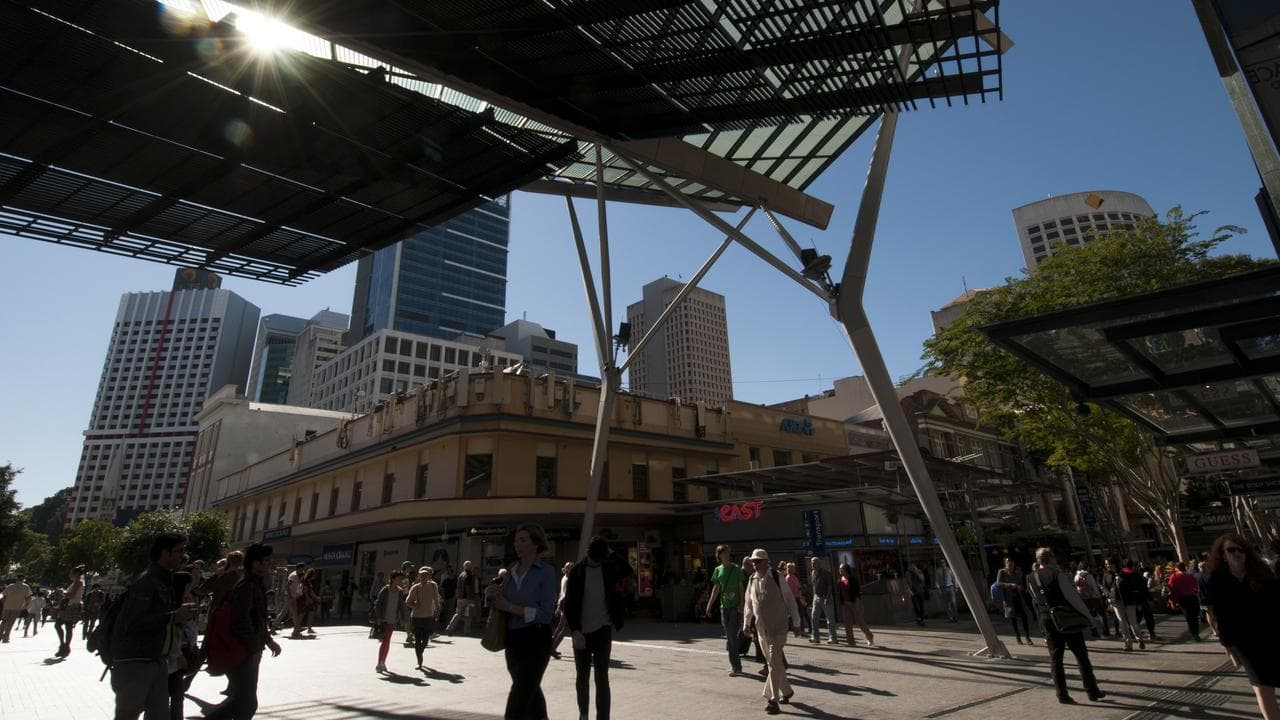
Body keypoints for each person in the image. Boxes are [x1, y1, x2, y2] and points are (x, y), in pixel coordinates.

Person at [111, 533, 194, 720]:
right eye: (179, 551)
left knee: (159, 715)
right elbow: (133, 622)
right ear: (165, 553)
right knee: (128, 714)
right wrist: (173, 616)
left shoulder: (165, 580)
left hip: (156, 658)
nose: (183, 555)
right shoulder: (147, 581)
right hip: (135, 660)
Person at [1203, 533, 1280, 720]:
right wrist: (1227, 644)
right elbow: (1220, 614)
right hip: (1245, 643)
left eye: (1241, 550)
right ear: (1222, 554)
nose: (1237, 553)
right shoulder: (1217, 579)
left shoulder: (1262, 574)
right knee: (1262, 688)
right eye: (1231, 550)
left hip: (1273, 636)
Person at [485, 524, 558, 720]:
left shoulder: (546, 572)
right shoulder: (511, 570)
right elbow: (501, 600)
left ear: (536, 543)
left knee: (520, 693)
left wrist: (509, 606)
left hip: (537, 638)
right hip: (513, 639)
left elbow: (545, 613)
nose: (517, 544)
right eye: (516, 540)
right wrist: (491, 594)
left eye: (523, 540)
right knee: (529, 690)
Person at [206, 543, 283, 720]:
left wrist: (268, 641)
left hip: (247, 649)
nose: (269, 564)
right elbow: (240, 621)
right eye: (266, 561)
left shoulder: (254, 584)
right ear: (255, 563)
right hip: (243, 651)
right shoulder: (247, 586)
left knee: (243, 701)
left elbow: (258, 619)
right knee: (246, 703)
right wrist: (255, 647)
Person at [562, 537, 631, 720]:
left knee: (602, 677)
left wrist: (611, 553)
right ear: (587, 554)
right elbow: (568, 605)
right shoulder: (577, 572)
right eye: (593, 559)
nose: (594, 563)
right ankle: (583, 714)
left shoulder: (608, 568)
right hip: (581, 632)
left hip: (603, 629)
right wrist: (575, 631)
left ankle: (603, 717)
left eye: (598, 559)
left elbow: (628, 570)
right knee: (582, 677)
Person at [1027, 547, 1105, 705]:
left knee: (1056, 659)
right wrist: (1089, 617)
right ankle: (1092, 691)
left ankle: (1062, 694)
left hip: (1047, 619)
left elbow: (1035, 600)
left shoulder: (1031, 577)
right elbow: (1072, 598)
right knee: (1081, 656)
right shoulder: (1058, 575)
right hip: (1065, 618)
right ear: (1051, 559)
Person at [742, 549, 801, 715]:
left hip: (779, 627)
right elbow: (749, 603)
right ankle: (787, 691)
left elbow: (790, 600)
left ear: (767, 562)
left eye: (759, 561)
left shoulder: (777, 577)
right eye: (754, 561)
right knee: (773, 663)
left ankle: (772, 700)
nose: (755, 564)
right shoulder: (752, 579)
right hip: (761, 629)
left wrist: (796, 623)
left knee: (774, 662)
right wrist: (746, 623)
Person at [705, 544, 746, 675]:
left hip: (735, 607)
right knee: (729, 637)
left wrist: (742, 603)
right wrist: (709, 604)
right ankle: (734, 665)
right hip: (724, 607)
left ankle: (736, 667)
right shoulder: (718, 570)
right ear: (719, 555)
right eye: (724, 553)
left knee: (732, 637)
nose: (727, 555)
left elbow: (741, 587)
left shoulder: (737, 569)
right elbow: (716, 589)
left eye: (728, 552)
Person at [167, 571, 199, 720]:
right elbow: (173, 632)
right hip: (169, 657)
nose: (189, 590)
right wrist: (178, 654)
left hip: (178, 656)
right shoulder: (172, 603)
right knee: (167, 698)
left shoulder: (187, 599)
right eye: (188, 586)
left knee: (177, 697)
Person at [405, 566, 441, 669]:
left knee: (425, 640)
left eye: (426, 575)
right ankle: (419, 660)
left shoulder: (433, 586)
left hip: (428, 616)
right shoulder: (415, 587)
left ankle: (420, 652)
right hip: (416, 617)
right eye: (422, 575)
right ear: (419, 577)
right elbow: (408, 601)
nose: (424, 577)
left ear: (429, 576)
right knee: (418, 639)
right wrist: (415, 605)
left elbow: (436, 599)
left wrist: (437, 609)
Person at [372, 571, 408, 673]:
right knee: (385, 641)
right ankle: (380, 662)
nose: (400, 581)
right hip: (383, 619)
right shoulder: (385, 590)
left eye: (401, 579)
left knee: (387, 641)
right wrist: (379, 617)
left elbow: (402, 606)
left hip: (392, 619)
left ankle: (382, 662)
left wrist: (404, 619)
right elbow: (378, 604)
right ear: (393, 579)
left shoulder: (400, 591)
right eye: (399, 579)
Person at [1112, 559, 1147, 651]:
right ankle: (1130, 643)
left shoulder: (1133, 576)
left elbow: (1139, 590)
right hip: (1120, 602)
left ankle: (1136, 640)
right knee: (1126, 622)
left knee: (1129, 622)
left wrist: (1139, 602)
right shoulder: (1117, 575)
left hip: (1124, 601)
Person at [996, 558, 1033, 645]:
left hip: (1019, 597)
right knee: (1013, 618)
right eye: (1009, 565)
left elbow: (1022, 583)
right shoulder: (1002, 572)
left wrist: (1020, 587)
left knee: (1024, 617)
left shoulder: (1017, 572)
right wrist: (1010, 585)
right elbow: (999, 583)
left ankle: (1027, 637)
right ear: (1006, 564)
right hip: (1009, 599)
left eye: (1012, 565)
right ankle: (1018, 637)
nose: (1011, 567)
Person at [837, 562, 874, 646]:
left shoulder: (852, 579)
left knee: (860, 622)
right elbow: (840, 593)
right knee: (847, 623)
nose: (840, 570)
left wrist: (857, 603)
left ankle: (869, 636)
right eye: (840, 569)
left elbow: (857, 592)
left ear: (846, 569)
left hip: (854, 602)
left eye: (842, 568)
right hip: (845, 604)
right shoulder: (840, 580)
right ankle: (851, 641)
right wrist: (842, 603)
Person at [54, 564, 86, 657]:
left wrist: (62, 592)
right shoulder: (77, 582)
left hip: (73, 606)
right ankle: (64, 646)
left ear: (75, 574)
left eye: (71, 573)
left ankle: (65, 646)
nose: (69, 575)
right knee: (64, 626)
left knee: (64, 626)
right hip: (70, 606)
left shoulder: (78, 582)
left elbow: (71, 595)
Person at [1168, 561, 1202, 641]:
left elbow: (1170, 587)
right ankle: (1196, 632)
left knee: (1189, 616)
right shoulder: (1190, 576)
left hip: (1182, 598)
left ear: (1177, 568)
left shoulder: (1174, 576)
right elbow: (1196, 587)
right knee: (1194, 616)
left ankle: (1194, 633)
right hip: (1192, 597)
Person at [808, 557, 838, 644]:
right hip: (816, 597)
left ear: (819, 564)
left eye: (815, 563)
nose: (813, 565)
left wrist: (828, 597)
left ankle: (833, 638)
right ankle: (815, 637)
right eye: (812, 563)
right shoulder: (812, 573)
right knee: (814, 617)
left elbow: (830, 586)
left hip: (825, 597)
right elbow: (814, 585)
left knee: (829, 618)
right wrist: (814, 597)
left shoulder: (826, 573)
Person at [1074, 563, 1109, 638]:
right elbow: (1094, 587)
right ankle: (1105, 631)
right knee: (1102, 614)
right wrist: (1099, 596)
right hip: (1093, 597)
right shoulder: (1088, 576)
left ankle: (1094, 631)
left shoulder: (1076, 576)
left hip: (1084, 599)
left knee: (1090, 615)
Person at [550, 561, 573, 660]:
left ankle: (550, 647)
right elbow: (564, 593)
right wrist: (559, 606)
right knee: (564, 629)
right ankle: (552, 648)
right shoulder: (569, 579)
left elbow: (561, 593)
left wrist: (559, 606)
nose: (570, 569)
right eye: (569, 567)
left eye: (571, 567)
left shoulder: (564, 577)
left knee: (560, 627)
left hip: (564, 603)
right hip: (567, 604)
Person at [0, 574, 32, 643]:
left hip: (7, 607)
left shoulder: (10, 586)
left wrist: (4, 604)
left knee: (3, 622)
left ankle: (0, 636)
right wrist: (25, 606)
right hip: (17, 607)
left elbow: (4, 596)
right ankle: (6, 638)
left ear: (16, 579)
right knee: (10, 623)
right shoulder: (26, 587)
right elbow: (29, 597)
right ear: (23, 579)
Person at [783, 562, 808, 634]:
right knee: (796, 614)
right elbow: (789, 590)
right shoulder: (788, 578)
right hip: (793, 598)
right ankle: (798, 629)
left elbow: (798, 586)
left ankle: (800, 629)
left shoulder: (794, 577)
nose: (794, 569)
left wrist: (800, 593)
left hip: (798, 597)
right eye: (792, 568)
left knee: (800, 613)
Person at [935, 559, 959, 623]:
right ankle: (950, 617)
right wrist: (938, 589)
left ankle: (955, 616)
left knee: (953, 603)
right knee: (947, 604)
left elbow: (954, 578)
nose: (942, 563)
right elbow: (937, 580)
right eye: (941, 562)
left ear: (946, 563)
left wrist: (956, 587)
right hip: (943, 588)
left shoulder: (950, 570)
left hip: (950, 587)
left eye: (943, 562)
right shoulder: (938, 571)